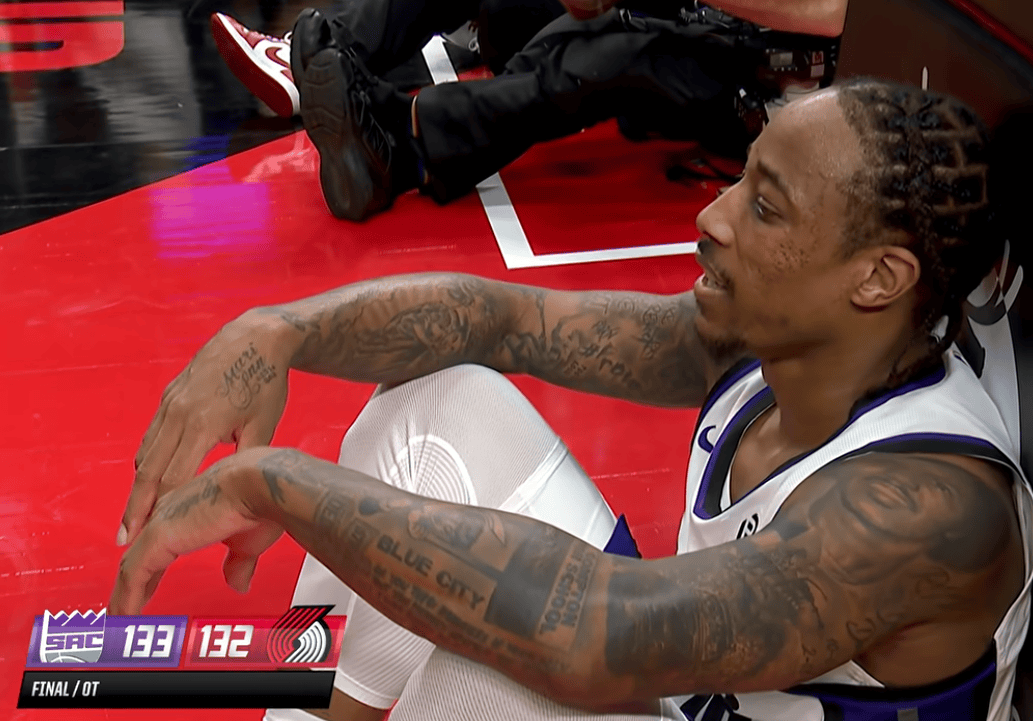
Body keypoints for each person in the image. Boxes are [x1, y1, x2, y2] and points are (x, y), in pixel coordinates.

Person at [112, 78, 1032, 721]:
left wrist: (274, 483)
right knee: (439, 410)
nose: (710, 217)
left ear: (877, 277)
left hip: (640, 654)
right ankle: (301, 710)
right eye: (740, 178)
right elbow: (502, 321)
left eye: (765, 206)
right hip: (687, 692)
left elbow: (592, 635)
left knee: (494, 658)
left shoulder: (929, 509)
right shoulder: (766, 341)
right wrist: (274, 332)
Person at [212, 1, 844, 221]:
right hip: (687, 28)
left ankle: (398, 150)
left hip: (769, 85)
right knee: (551, 28)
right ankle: (308, 63)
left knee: (602, 59)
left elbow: (830, 11)